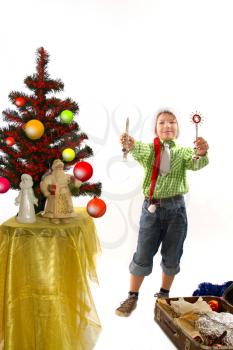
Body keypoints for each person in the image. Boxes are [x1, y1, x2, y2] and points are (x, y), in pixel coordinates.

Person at [115, 110, 209, 317]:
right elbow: (136, 147)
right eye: (162, 122)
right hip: (151, 209)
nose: (167, 125)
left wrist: (201, 153)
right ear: (155, 129)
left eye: (172, 122)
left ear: (178, 128)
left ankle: (164, 295)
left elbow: (196, 163)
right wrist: (129, 142)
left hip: (176, 210)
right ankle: (132, 296)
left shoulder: (184, 152)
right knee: (143, 252)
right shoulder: (150, 150)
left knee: (173, 252)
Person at [40, 159, 82, 224]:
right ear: (54, 168)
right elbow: (43, 184)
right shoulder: (51, 177)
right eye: (58, 167)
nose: (59, 169)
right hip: (55, 194)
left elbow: (78, 182)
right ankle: (54, 217)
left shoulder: (67, 176)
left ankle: (65, 217)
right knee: (54, 206)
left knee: (66, 206)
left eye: (61, 167)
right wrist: (46, 192)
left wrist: (74, 181)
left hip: (65, 194)